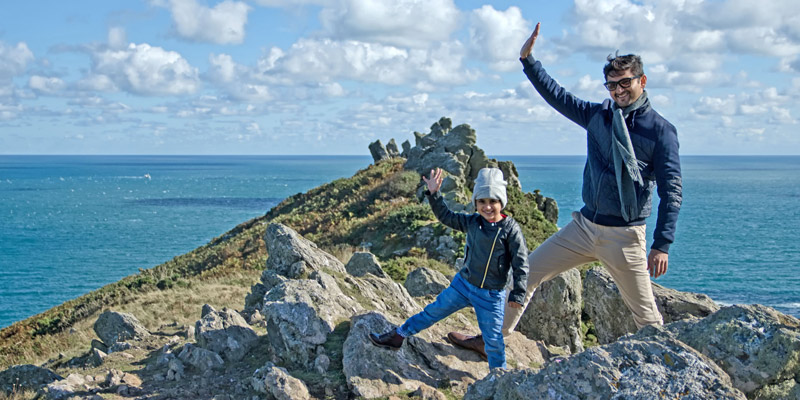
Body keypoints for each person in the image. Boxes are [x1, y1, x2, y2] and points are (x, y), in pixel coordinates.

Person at [448, 22, 683, 356]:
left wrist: (662, 245)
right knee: (522, 276)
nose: (618, 90)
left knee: (646, 317)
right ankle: (489, 341)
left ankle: (670, 371)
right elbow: (558, 96)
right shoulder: (598, 116)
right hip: (584, 227)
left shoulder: (660, 132)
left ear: (642, 81)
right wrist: (529, 62)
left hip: (625, 236)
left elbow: (672, 191)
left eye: (625, 83)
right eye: (612, 84)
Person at [368, 167, 529, 370]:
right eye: (482, 201)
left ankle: (499, 379)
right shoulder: (472, 222)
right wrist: (434, 194)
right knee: (431, 312)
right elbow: (446, 216)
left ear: (501, 202)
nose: (487, 207)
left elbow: (520, 262)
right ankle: (399, 335)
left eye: (493, 201)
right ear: (476, 203)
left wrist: (518, 293)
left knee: (494, 341)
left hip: (490, 295)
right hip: (463, 286)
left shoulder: (510, 230)